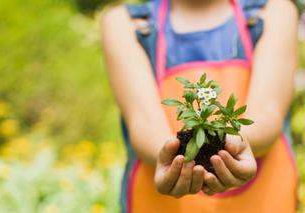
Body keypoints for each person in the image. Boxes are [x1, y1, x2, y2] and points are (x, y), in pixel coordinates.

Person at [101, 0, 298, 212]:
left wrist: (228, 144)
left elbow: (268, 114)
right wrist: (177, 158)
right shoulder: (129, 24)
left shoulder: (272, 11)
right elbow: (143, 122)